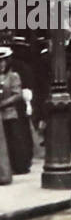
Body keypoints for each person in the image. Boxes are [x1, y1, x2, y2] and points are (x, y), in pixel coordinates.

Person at [0, 46, 34, 175]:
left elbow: (18, 94)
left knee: (14, 140)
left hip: (10, 113)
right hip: (1, 115)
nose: (1, 64)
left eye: (3, 61)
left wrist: (4, 103)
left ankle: (18, 166)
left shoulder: (13, 76)